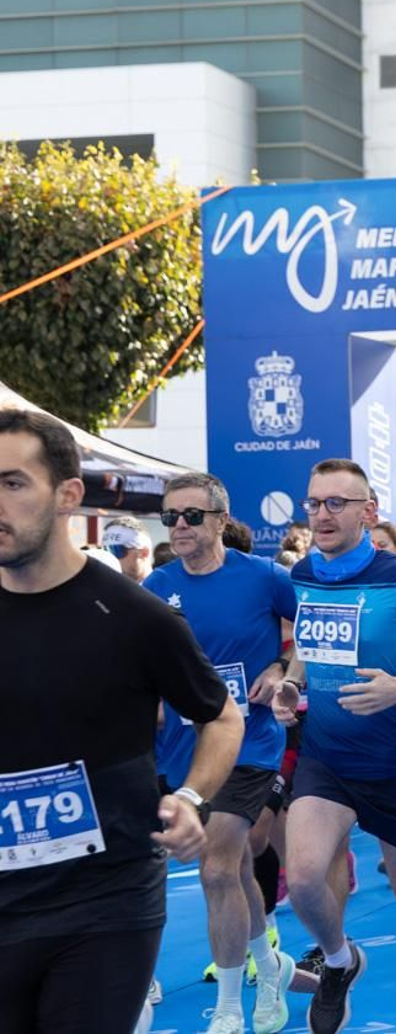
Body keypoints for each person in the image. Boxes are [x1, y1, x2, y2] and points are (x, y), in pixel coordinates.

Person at [0, 409, 244, 1034]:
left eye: (12, 483)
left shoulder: (136, 615)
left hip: (104, 901)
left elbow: (220, 716)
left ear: (68, 495)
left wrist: (190, 796)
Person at [274, 459, 396, 1034]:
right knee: (308, 878)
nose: (322, 514)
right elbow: (310, 646)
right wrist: (293, 682)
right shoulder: (305, 572)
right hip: (327, 756)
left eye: (336, 503)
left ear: (369, 511)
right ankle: (340, 959)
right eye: (314, 503)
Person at [144, 473, 301, 1034]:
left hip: (251, 743)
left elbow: (310, 626)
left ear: (220, 520)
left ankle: (231, 1007)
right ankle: (269, 966)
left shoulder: (263, 577)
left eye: (191, 515)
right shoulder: (155, 586)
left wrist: (284, 668)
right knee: (232, 869)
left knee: (215, 867)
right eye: (170, 517)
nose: (180, 526)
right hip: (184, 752)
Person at [103, 514, 155, 581]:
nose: (110, 559)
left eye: (116, 550)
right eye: (105, 550)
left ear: (144, 553)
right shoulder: (108, 589)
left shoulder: (165, 589)